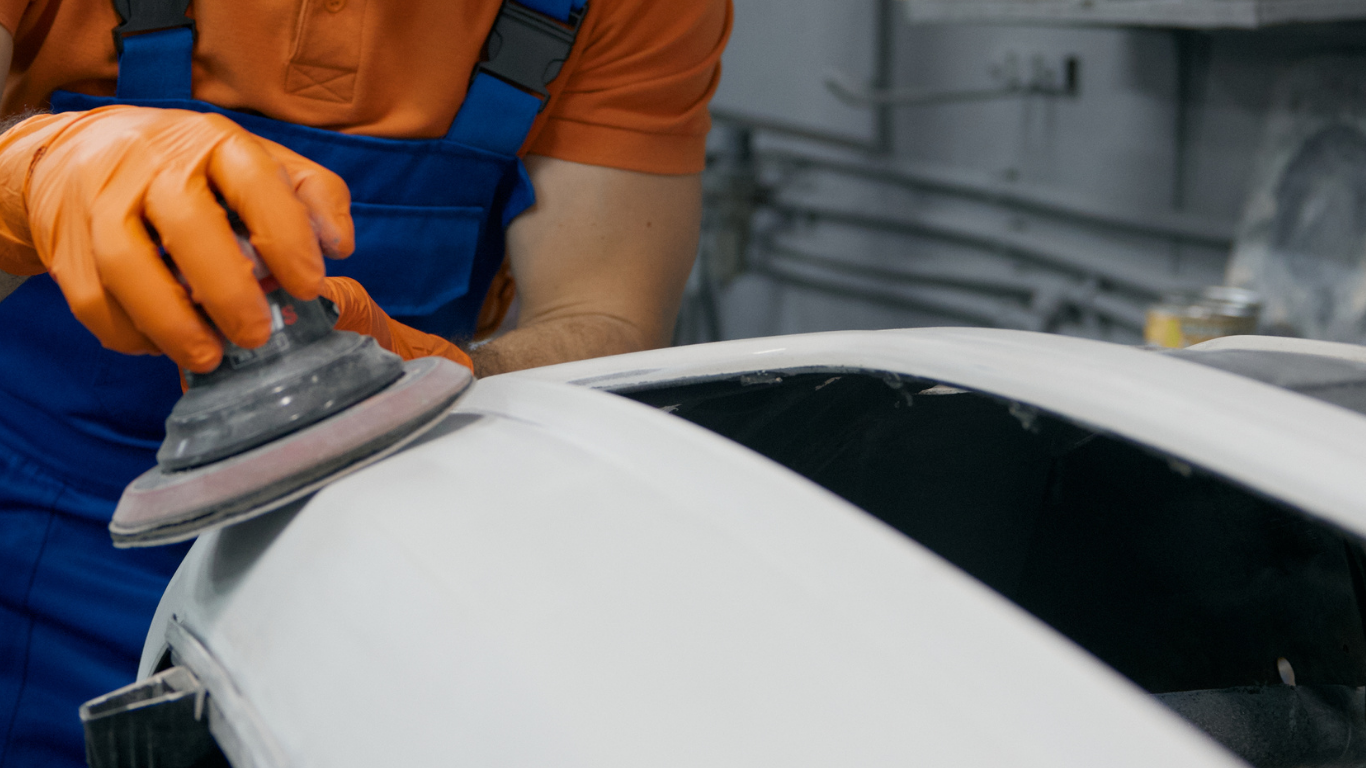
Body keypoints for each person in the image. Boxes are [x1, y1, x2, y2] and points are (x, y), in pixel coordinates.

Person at [0, 0, 732, 764]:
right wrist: (31, 178)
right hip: (35, 540)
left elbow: (605, 321)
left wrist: (439, 371)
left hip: (376, 560)